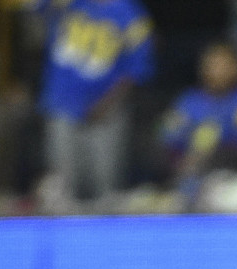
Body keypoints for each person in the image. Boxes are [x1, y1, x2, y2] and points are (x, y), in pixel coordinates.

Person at [36, 0, 154, 207]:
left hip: (106, 113)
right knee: (62, 190)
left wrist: (106, 104)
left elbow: (137, 68)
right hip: (62, 105)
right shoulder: (67, 4)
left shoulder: (131, 14)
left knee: (105, 189)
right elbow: (32, 7)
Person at [160, 41, 237, 210]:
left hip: (230, 178)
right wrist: (181, 161)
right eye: (211, 65)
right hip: (187, 179)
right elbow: (165, 139)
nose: (216, 71)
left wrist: (210, 157)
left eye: (223, 65)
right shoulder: (188, 100)